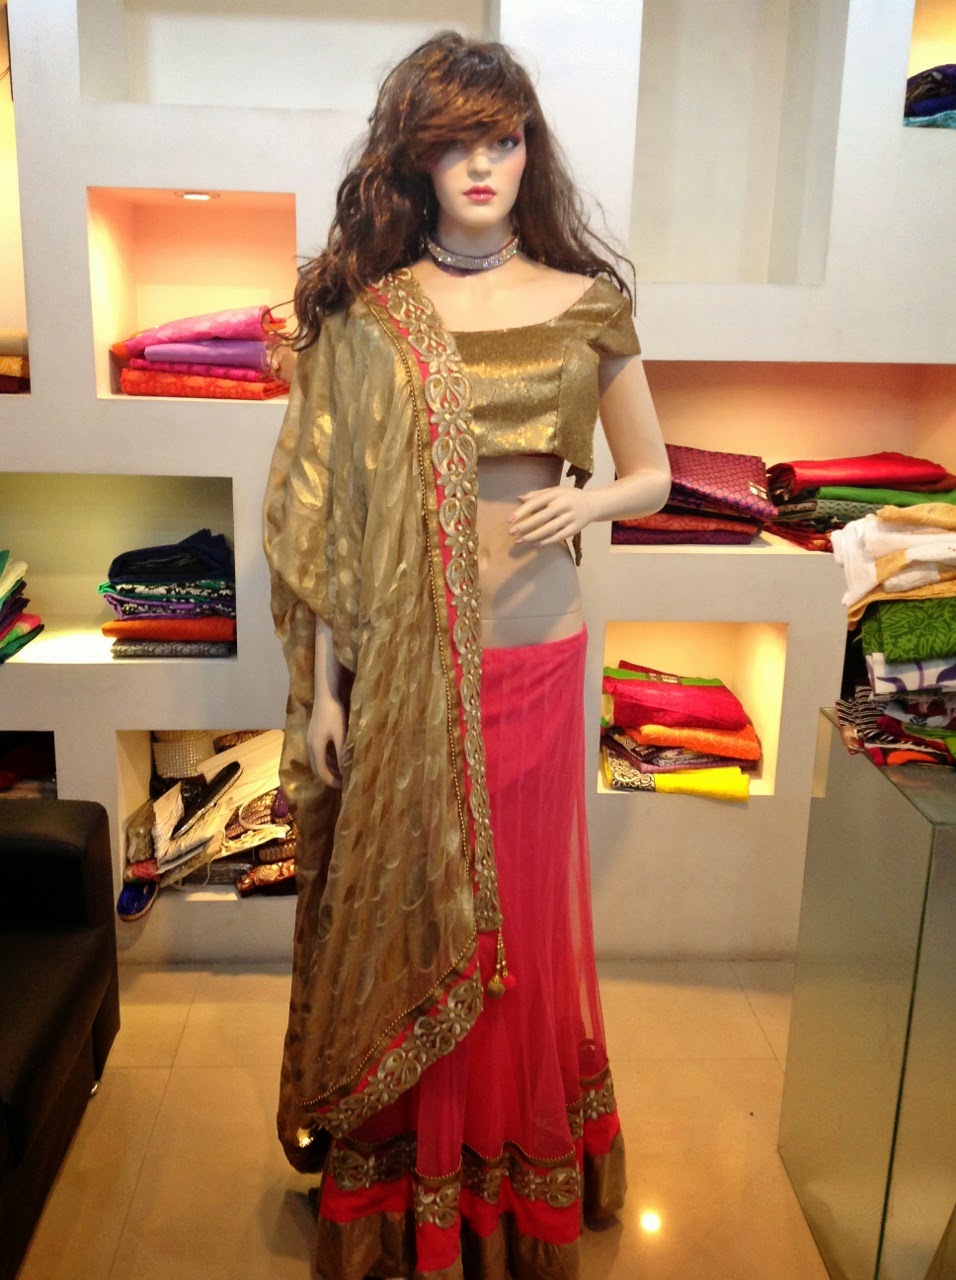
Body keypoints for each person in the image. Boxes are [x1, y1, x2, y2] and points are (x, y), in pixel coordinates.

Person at [263, 30, 670, 1280]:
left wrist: (587, 499)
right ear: (418, 160)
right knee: (411, 915)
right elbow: (327, 517)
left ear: (527, 150)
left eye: (501, 139)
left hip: (538, 651)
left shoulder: (585, 302)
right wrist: (325, 687)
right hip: (403, 670)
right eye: (456, 144)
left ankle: (503, 1178)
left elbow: (654, 473)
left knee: (512, 932)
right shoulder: (369, 315)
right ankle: (412, 1181)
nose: (482, 164)